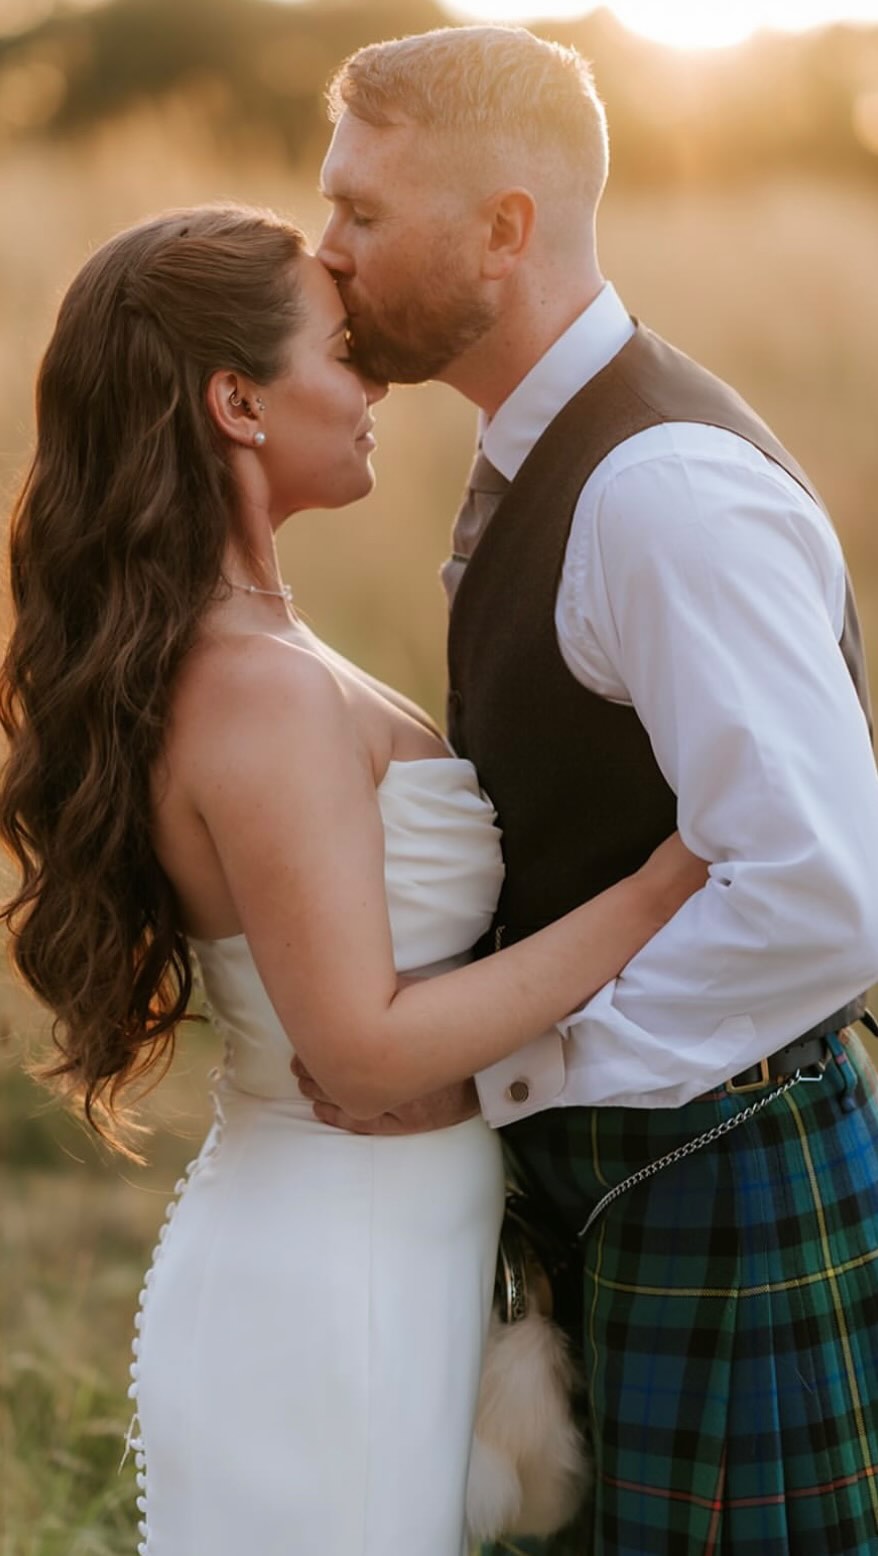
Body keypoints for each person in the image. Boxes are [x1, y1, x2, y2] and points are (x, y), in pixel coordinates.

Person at [0, 204, 704, 1555]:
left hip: (383, 1247)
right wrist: (667, 883)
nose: (372, 380)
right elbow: (365, 1053)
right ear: (236, 402)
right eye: (338, 352)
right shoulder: (256, 693)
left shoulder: (263, 645)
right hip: (335, 1280)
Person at [311, 25, 878, 1556]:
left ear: (504, 229)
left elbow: (821, 893)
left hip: (716, 1175)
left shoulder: (657, 492)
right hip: (643, 1173)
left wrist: (510, 1072)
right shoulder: (550, 449)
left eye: (364, 214)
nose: (328, 253)